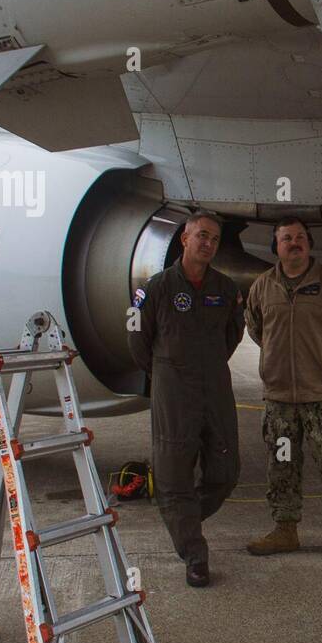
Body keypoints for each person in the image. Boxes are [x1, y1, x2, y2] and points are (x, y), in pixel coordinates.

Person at [127, 210, 245, 588]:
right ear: (185, 239)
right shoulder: (155, 289)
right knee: (173, 475)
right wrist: (166, 370)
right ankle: (195, 554)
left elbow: (233, 335)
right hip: (172, 390)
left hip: (215, 387)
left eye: (213, 238)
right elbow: (136, 340)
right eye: (201, 236)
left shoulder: (226, 290)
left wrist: (206, 366)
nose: (207, 243)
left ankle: (184, 516)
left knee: (226, 471)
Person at [243, 217, 322, 561]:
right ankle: (285, 530)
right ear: (277, 247)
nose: (294, 243)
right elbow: (256, 327)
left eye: (300, 237)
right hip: (280, 399)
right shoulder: (262, 286)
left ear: (309, 244)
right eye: (286, 238)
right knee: (282, 465)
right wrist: (276, 360)